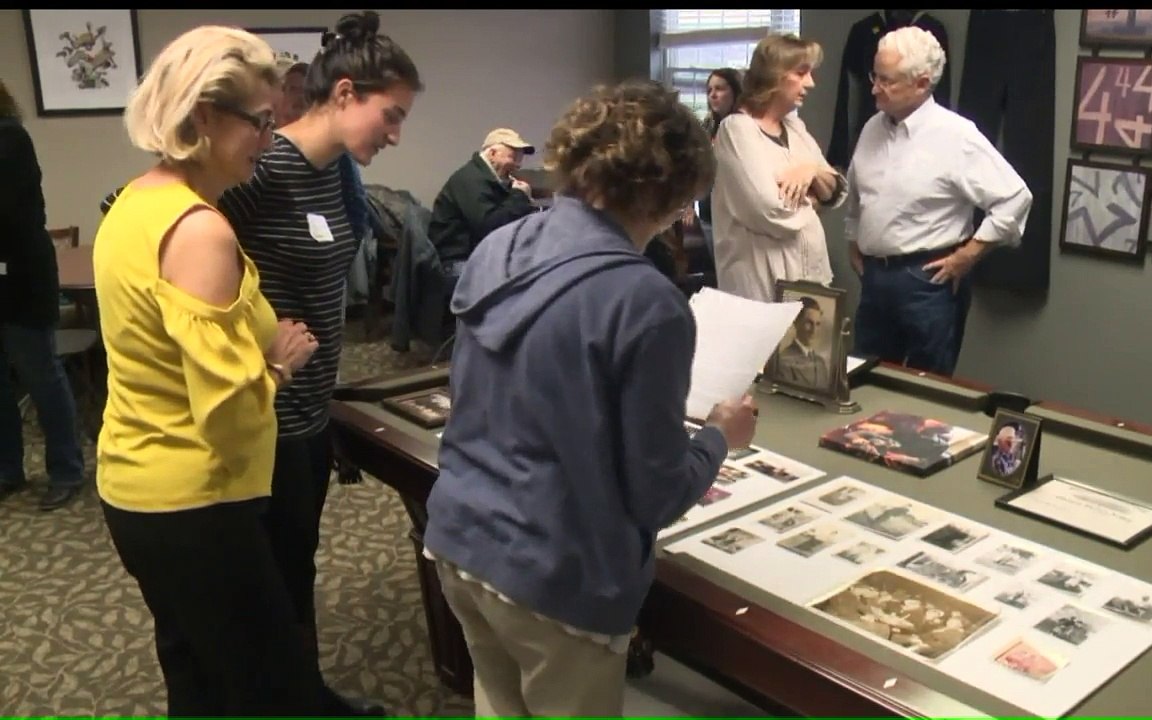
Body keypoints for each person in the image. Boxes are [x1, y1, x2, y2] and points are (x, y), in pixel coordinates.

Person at [422, 79, 759, 717]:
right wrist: (719, 435)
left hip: (459, 539)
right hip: (556, 577)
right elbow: (656, 496)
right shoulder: (645, 300)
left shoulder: (499, 245)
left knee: (497, 704)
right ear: (670, 193)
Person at [92, 25, 335, 715]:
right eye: (260, 121)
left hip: (138, 486)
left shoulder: (137, 201)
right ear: (204, 116)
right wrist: (278, 367)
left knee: (200, 674)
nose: (271, 135)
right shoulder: (201, 230)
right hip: (195, 499)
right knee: (265, 689)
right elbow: (226, 415)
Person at [217, 9, 421, 702]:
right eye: (389, 117)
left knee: (296, 567)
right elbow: (152, 225)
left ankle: (302, 693)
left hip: (309, 410)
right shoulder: (263, 167)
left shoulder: (335, 172)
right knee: (263, 583)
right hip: (261, 414)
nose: (395, 135)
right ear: (343, 96)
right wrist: (252, 335)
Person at [845, 27, 1031, 376]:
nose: (874, 88)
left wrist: (970, 254)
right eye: (875, 76)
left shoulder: (956, 135)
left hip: (927, 281)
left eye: (887, 80)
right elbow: (859, 192)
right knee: (864, 377)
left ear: (922, 83)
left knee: (925, 388)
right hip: (874, 279)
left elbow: (1015, 197)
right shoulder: (872, 127)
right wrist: (854, 238)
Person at [0, 79, 86, 511]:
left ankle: (67, 469)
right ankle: (8, 470)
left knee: (41, 375)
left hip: (21, 278)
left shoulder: (10, 137)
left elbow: (8, 211)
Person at [712, 34, 848, 303]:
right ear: (774, 75)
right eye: (801, 73)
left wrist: (811, 171)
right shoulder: (737, 129)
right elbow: (770, 211)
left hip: (810, 285)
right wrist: (813, 199)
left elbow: (836, 191)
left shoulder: (795, 127)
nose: (810, 83)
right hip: (762, 289)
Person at [427, 127, 539, 279]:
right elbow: (490, 226)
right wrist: (519, 196)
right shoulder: (470, 179)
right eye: (513, 157)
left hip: (477, 258)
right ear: (492, 154)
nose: (518, 164)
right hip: (456, 262)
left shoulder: (493, 181)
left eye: (520, 159)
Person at [682, 67, 742, 281]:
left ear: (735, 91)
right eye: (709, 90)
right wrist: (688, 204)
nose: (713, 95)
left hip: (737, 218)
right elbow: (694, 168)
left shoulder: (745, 128)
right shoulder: (706, 126)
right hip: (709, 215)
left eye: (720, 89)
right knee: (717, 275)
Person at [776, 295, 830, 389]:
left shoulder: (820, 363)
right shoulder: (783, 360)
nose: (813, 330)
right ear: (796, 322)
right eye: (809, 323)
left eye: (817, 324)